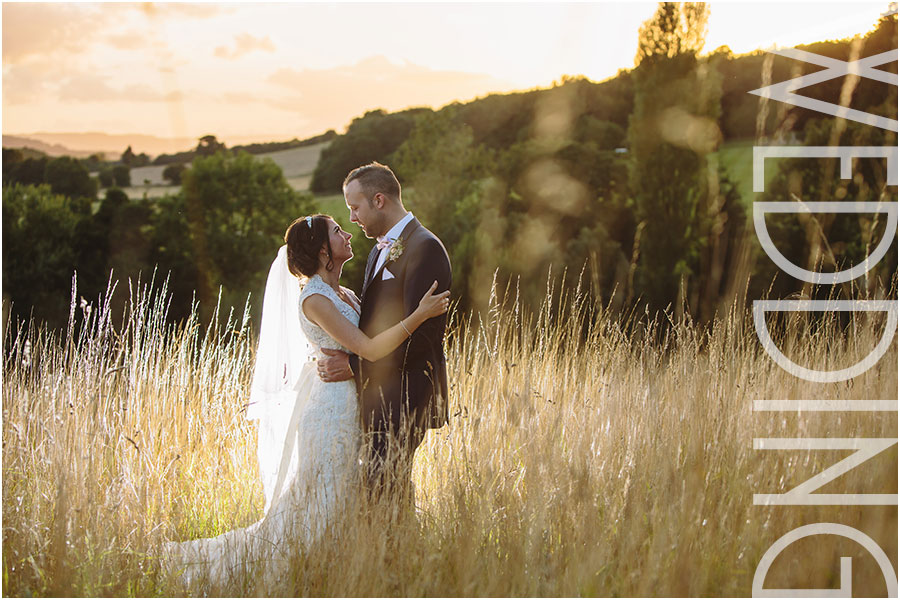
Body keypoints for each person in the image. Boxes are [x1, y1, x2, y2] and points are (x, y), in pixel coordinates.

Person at [164, 213, 449, 587]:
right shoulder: (314, 298)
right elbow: (370, 348)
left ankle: (341, 573)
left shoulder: (343, 292)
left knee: (342, 495)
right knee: (323, 498)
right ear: (322, 251)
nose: (347, 233)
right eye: (337, 231)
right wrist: (420, 314)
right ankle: (286, 571)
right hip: (329, 413)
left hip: (350, 405)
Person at [316, 162, 452, 506]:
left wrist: (354, 366)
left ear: (379, 200)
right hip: (380, 397)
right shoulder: (380, 248)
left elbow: (421, 339)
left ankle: (392, 555)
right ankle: (401, 555)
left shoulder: (425, 248)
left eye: (354, 207)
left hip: (405, 394)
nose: (351, 218)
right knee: (386, 491)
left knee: (381, 490)